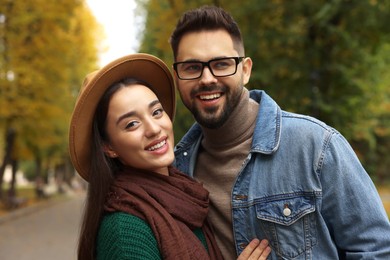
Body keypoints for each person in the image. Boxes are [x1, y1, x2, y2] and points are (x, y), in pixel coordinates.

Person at [169, 5, 390, 260]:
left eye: (221, 64)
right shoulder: (176, 172)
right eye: (192, 67)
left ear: (246, 70)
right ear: (177, 77)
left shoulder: (315, 146)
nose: (207, 78)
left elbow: (378, 252)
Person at [68, 53, 271, 259]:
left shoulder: (185, 197)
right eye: (132, 124)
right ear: (108, 146)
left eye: (156, 112)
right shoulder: (125, 230)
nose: (154, 129)